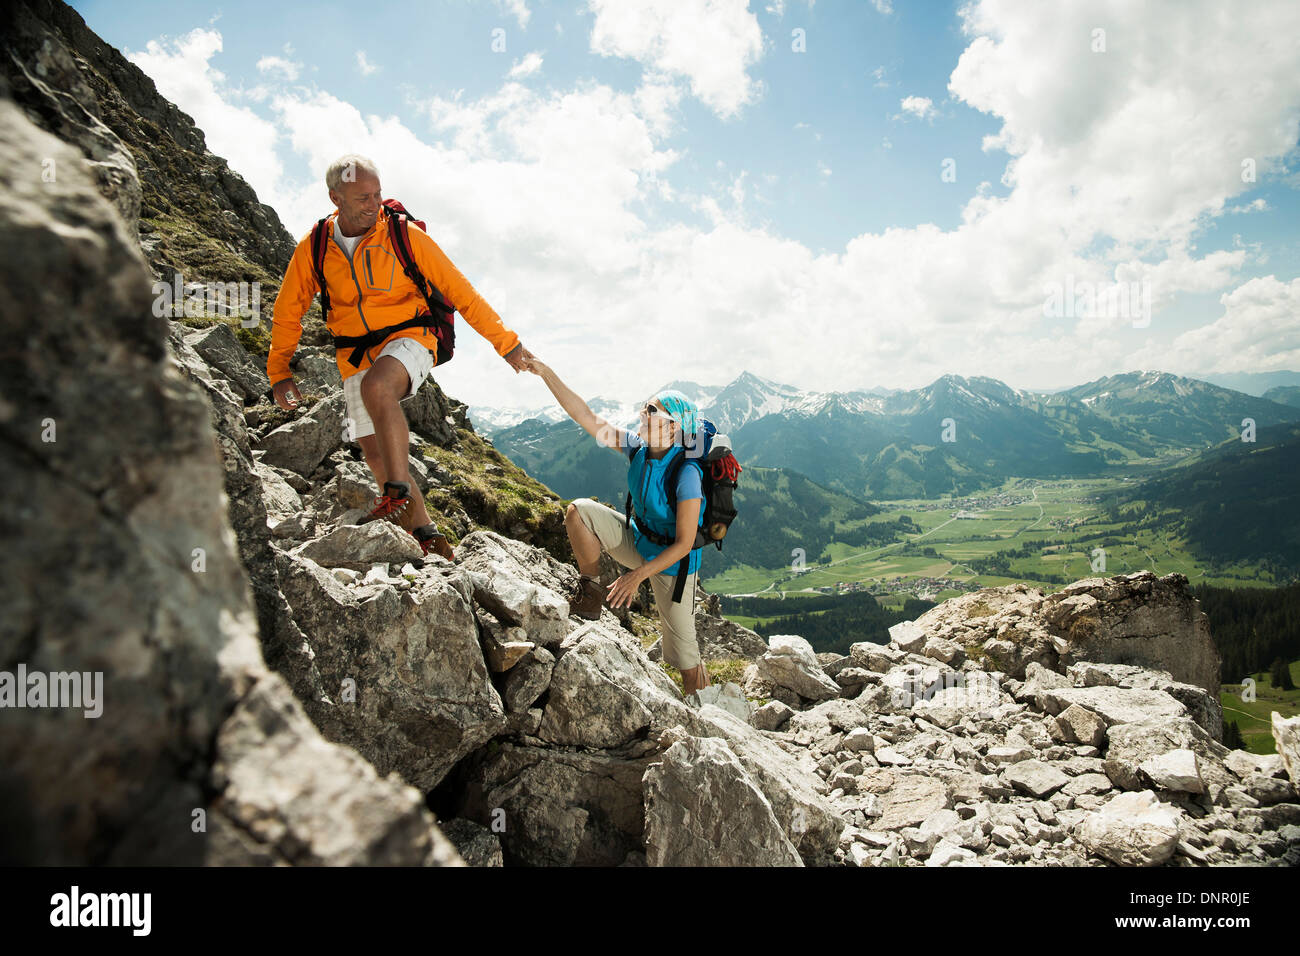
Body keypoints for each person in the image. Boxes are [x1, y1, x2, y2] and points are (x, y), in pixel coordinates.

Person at [267, 154, 536, 559]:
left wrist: (506, 343)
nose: (373, 204)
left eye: (377, 194)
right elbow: (288, 311)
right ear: (334, 197)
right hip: (355, 351)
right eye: (362, 197)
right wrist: (279, 372)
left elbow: (460, 290)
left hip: (412, 336)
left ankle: (395, 493)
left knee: (380, 387)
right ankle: (427, 534)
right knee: (371, 447)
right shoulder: (314, 247)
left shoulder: (403, 235)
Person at [524, 358, 713, 701]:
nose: (643, 413)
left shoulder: (687, 474)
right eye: (645, 406)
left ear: (672, 428)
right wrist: (547, 373)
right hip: (640, 540)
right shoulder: (637, 448)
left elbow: (686, 542)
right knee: (579, 512)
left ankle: (709, 714)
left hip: (674, 564)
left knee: (685, 653)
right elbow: (586, 417)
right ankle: (591, 594)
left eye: (652, 410)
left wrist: (636, 575)